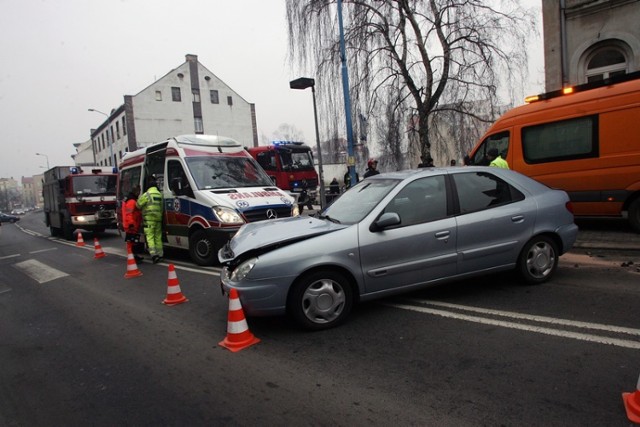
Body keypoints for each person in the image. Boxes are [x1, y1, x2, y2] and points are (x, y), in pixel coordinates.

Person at [137, 175, 164, 263]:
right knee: (158, 237)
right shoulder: (160, 195)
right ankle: (160, 254)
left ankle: (154, 255)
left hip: (149, 220)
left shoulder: (147, 195)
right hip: (158, 219)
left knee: (150, 237)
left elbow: (138, 205)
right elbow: (161, 207)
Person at [123, 185, 144, 263]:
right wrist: (131, 224)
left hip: (132, 224)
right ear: (136, 191)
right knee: (131, 242)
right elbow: (129, 214)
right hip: (131, 225)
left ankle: (134, 256)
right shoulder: (131, 201)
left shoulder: (131, 199)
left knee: (133, 241)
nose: (139, 193)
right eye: (138, 191)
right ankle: (132, 257)